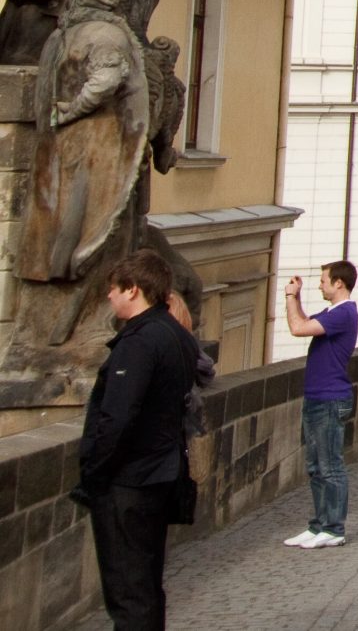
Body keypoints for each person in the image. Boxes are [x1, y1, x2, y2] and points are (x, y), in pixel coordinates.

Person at [75, 250, 194, 631]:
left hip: (130, 480)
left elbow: (117, 418)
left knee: (128, 592)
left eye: (113, 288)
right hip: (160, 473)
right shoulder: (177, 335)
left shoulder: (140, 341)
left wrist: (93, 472)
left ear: (133, 290)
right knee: (145, 585)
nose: (109, 296)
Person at [281, 261, 358, 547]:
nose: (320, 284)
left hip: (330, 397)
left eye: (324, 280)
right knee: (316, 466)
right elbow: (304, 321)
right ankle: (318, 525)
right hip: (317, 395)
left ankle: (334, 528)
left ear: (339, 283)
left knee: (330, 466)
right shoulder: (331, 312)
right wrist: (297, 298)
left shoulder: (345, 313)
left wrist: (289, 296)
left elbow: (298, 328)